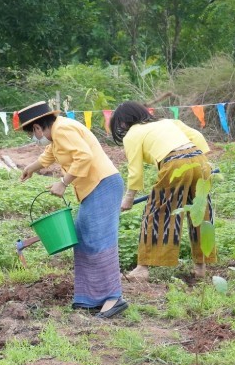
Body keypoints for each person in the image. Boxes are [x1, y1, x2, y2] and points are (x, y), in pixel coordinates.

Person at [16, 101, 127, 318]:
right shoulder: (57, 133)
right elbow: (50, 154)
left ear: (38, 128)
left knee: (99, 240)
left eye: (32, 133)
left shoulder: (64, 129)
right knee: (85, 238)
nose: (34, 137)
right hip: (94, 187)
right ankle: (91, 298)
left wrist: (63, 182)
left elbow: (84, 156)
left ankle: (114, 298)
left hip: (102, 184)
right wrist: (32, 168)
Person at [111, 101, 215, 280]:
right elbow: (196, 135)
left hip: (175, 162)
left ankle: (142, 268)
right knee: (199, 212)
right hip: (199, 160)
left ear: (122, 123)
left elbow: (135, 171)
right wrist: (203, 159)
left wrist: (128, 198)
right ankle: (200, 267)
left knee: (157, 212)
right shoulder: (168, 122)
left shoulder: (132, 134)